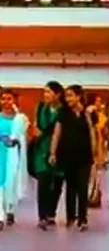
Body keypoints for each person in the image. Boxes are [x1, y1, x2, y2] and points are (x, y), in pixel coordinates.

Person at [49, 84, 96, 230]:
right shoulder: (62, 112)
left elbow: (92, 132)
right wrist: (53, 152)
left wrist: (95, 152)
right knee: (70, 187)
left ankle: (83, 218)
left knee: (83, 187)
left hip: (84, 155)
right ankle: (71, 217)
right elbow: (57, 133)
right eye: (67, 96)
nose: (68, 99)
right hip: (67, 154)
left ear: (79, 96)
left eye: (71, 95)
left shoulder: (88, 113)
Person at [31, 81, 63, 230]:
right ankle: (42, 215)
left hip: (59, 149)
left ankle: (52, 212)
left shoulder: (63, 111)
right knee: (43, 182)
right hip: (41, 149)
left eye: (49, 92)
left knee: (57, 182)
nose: (46, 95)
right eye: (44, 92)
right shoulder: (40, 108)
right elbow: (35, 124)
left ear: (57, 94)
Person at [0, 90, 28, 227]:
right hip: (0, 154)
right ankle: (0, 215)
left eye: (9, 99)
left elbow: (22, 137)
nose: (6, 102)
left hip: (13, 156)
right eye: (3, 99)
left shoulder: (20, 119)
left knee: (10, 183)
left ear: (14, 101)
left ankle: (10, 209)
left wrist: (15, 141)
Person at [86, 93, 109, 208]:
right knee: (93, 174)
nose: (100, 104)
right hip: (93, 147)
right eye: (98, 101)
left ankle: (92, 196)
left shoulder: (100, 116)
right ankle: (91, 197)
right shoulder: (92, 113)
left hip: (96, 146)